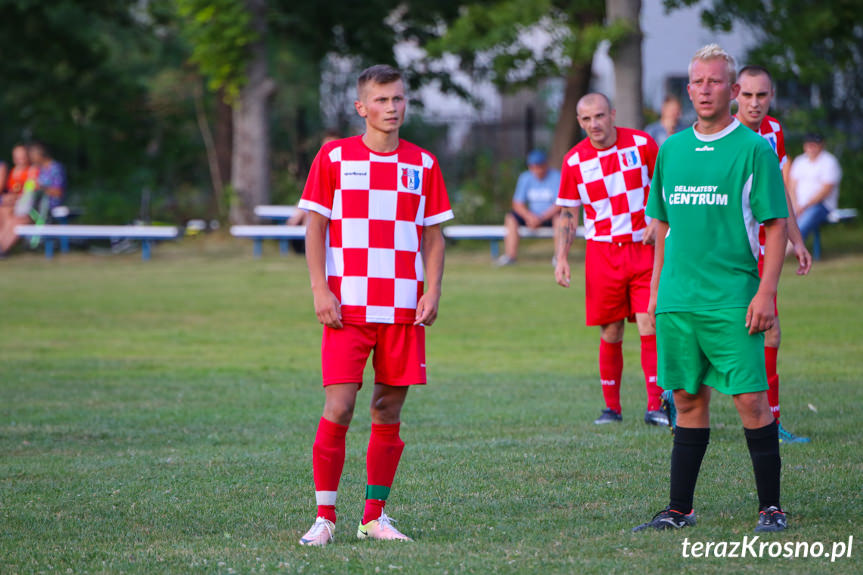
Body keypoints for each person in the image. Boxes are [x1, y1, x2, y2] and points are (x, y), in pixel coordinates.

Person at [633, 44, 789, 533]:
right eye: (697, 81)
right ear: (688, 87)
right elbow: (662, 227)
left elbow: (777, 226)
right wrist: (657, 291)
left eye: (716, 81)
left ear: (733, 90)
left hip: (732, 297)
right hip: (679, 299)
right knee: (685, 400)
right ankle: (679, 508)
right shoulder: (672, 149)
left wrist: (765, 293)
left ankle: (771, 507)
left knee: (750, 400)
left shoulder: (753, 149)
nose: (705, 89)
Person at [296, 64, 453, 547]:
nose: (392, 108)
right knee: (339, 407)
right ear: (361, 107)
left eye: (399, 99)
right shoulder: (334, 157)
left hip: (404, 308)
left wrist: (432, 289)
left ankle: (373, 517)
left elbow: (434, 235)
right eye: (382, 100)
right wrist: (320, 289)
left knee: (387, 409)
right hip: (348, 307)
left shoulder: (423, 164)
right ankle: (325, 517)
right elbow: (316, 227)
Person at [555, 92, 667, 427]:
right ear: (579, 122)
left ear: (613, 114)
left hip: (643, 249)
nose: (594, 124)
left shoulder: (643, 144)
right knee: (611, 329)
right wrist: (561, 256)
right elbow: (567, 211)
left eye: (600, 116)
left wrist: (655, 220)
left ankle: (655, 405)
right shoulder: (574, 160)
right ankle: (612, 408)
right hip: (602, 253)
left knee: (650, 320)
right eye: (587, 119)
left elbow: (665, 189)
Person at [495, 149, 561, 266]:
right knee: (511, 218)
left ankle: (559, 257)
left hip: (549, 216)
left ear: (545, 165)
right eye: (534, 167)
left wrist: (540, 218)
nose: (537, 170)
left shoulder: (556, 177)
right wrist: (529, 217)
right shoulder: (525, 177)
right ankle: (510, 256)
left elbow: (559, 204)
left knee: (560, 219)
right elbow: (517, 203)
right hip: (531, 216)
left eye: (540, 166)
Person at [789, 133, 841, 243]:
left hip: (821, 205)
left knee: (800, 226)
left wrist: (804, 206)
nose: (811, 148)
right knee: (782, 222)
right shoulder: (799, 161)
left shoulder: (829, 161)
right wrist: (794, 204)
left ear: (821, 145)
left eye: (814, 145)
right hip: (797, 204)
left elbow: (826, 190)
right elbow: (792, 186)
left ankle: (786, 252)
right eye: (809, 145)